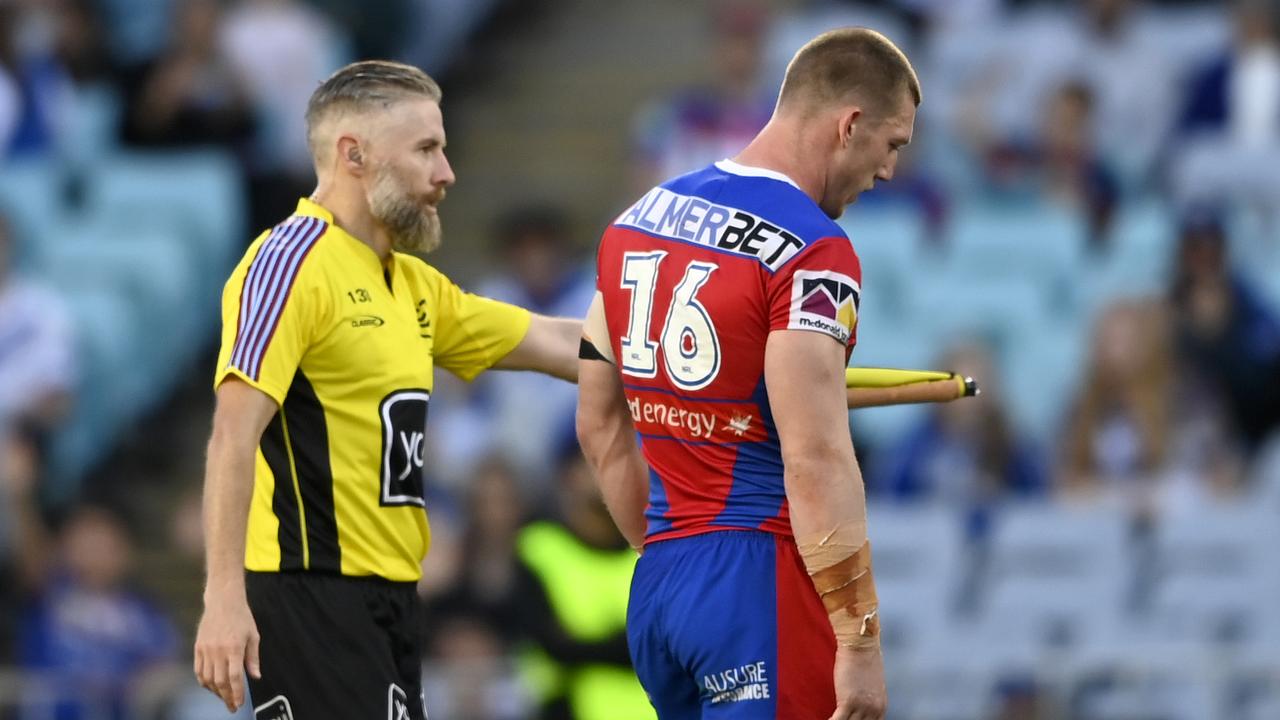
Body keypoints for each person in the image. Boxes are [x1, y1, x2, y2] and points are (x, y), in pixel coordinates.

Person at [192, 60, 582, 719]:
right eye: (427, 149)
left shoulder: (413, 284)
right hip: (309, 593)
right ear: (354, 155)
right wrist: (222, 597)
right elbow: (233, 434)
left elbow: (556, 343)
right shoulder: (288, 265)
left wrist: (691, 343)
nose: (446, 174)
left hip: (394, 599)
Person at [577, 27, 920, 720]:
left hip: (661, 588)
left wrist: (670, 550)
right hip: (759, 584)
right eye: (893, 146)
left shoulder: (638, 221)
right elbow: (818, 456)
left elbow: (599, 418)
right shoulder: (814, 251)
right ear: (849, 124)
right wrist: (859, 640)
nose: (888, 172)